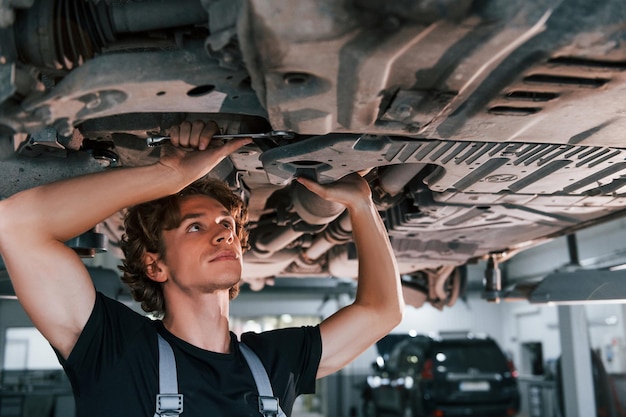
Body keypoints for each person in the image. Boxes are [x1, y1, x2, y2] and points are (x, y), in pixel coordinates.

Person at [0, 120, 404, 416]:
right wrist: (168, 176)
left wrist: (363, 204)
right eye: (196, 226)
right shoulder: (117, 353)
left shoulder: (271, 364)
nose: (223, 235)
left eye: (227, 225)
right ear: (155, 265)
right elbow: (16, 226)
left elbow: (381, 312)